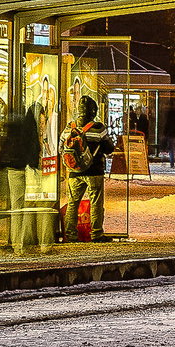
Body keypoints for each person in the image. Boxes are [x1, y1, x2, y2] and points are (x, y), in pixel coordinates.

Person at [62, 95, 114, 243]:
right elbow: (109, 148)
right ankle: (96, 234)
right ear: (93, 111)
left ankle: (70, 235)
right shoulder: (98, 128)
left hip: (74, 172)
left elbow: (61, 148)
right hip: (94, 171)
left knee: (73, 202)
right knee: (95, 202)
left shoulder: (69, 128)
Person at [0, 103, 43, 253]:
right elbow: (31, 146)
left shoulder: (10, 123)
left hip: (5, 166)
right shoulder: (27, 124)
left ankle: (10, 239)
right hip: (18, 168)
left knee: (12, 204)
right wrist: (34, 164)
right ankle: (17, 243)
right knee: (18, 206)